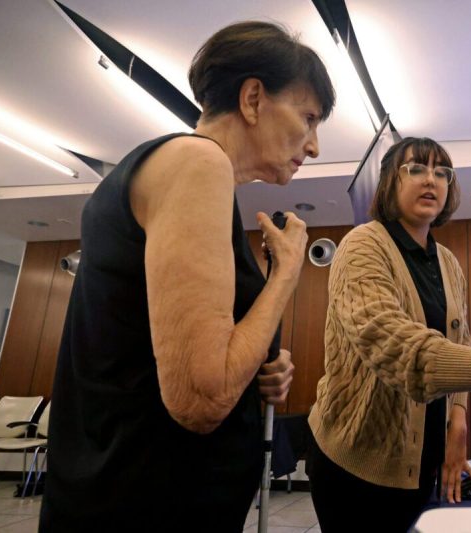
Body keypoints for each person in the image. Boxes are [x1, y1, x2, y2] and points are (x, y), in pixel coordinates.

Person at [40, 22, 335, 532]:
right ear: (252, 99)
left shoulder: (186, 172)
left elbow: (177, 357)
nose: (313, 146)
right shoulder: (197, 162)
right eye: (308, 118)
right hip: (144, 504)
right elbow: (200, 399)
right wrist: (285, 274)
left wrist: (256, 368)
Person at [306, 137, 471, 532]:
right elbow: (390, 341)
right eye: (416, 169)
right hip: (354, 458)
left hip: (422, 457)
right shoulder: (362, 245)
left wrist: (458, 423)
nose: (430, 179)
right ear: (389, 183)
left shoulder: (448, 262)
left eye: (441, 172)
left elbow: (459, 342)